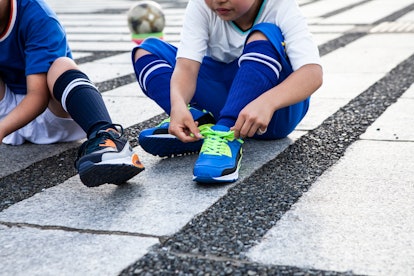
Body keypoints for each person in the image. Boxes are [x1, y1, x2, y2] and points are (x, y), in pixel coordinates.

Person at [132, 0, 322, 183]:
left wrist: (268, 102)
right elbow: (187, 68)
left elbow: (313, 74)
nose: (219, 1)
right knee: (148, 50)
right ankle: (198, 124)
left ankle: (225, 134)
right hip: (228, 94)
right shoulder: (201, 5)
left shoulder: (280, 5)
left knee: (265, 32)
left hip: (271, 114)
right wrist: (178, 105)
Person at [0, 0, 144, 187]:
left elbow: (38, 95)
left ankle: (107, 136)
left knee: (62, 65)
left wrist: (2, 128)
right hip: (7, 111)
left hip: (52, 113)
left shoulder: (37, 15)